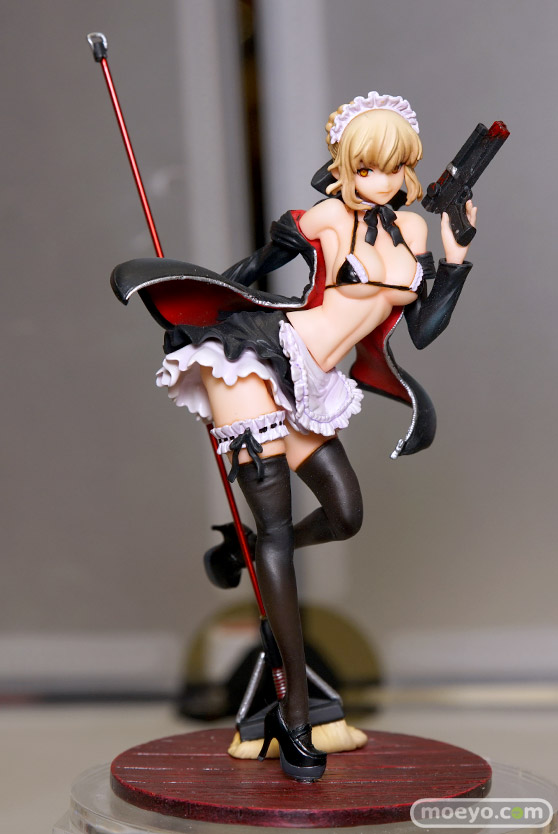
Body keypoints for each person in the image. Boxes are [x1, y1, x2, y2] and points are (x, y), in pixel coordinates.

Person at [112, 91, 476, 782]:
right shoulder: (324, 218)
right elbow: (245, 276)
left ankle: (242, 548)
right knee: (281, 532)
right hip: (256, 360)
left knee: (345, 513)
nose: (381, 181)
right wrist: (191, 319)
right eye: (366, 168)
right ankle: (296, 716)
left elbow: (424, 331)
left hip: (313, 384)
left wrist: (456, 259)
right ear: (344, 166)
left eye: (394, 167)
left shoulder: (416, 232)